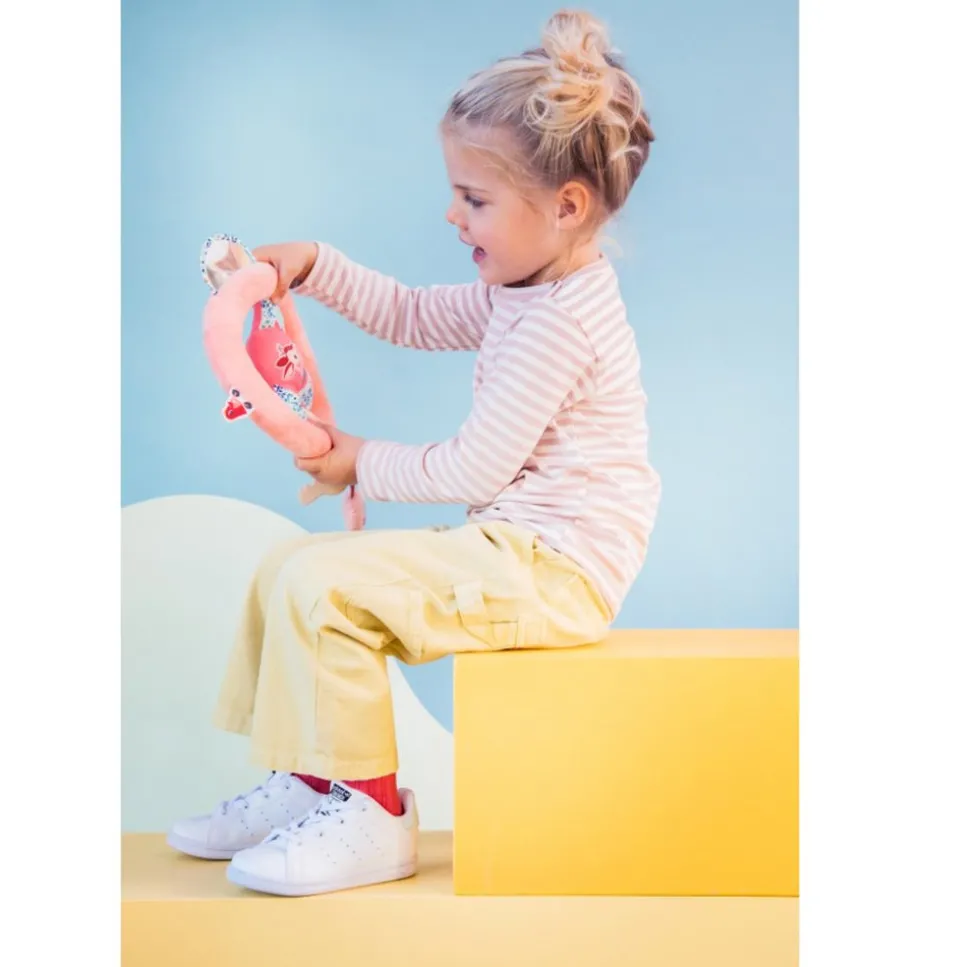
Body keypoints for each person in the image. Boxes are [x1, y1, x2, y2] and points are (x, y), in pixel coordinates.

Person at [168, 8, 662, 897]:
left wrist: (356, 459)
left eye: (475, 199)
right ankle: (312, 776)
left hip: (557, 570)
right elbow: (410, 313)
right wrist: (315, 265)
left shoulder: (563, 322)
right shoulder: (525, 288)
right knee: (288, 566)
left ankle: (370, 812)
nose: (452, 213)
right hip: (517, 549)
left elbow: (474, 469)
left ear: (566, 207)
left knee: (326, 588)